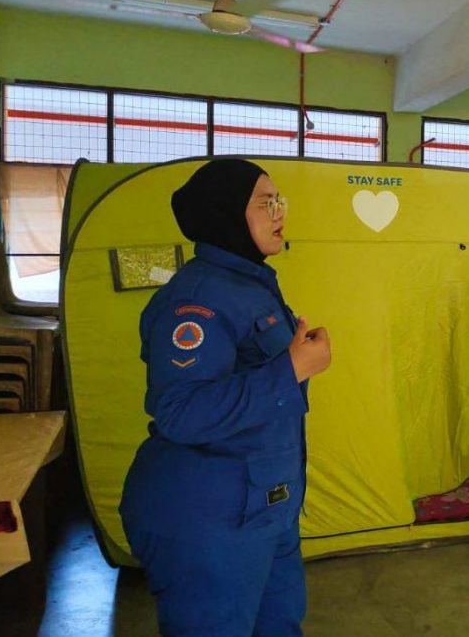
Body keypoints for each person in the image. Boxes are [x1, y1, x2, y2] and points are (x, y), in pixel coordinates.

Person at [119, 159, 331, 637]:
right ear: (227, 214)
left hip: (266, 508)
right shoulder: (196, 299)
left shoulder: (250, 285)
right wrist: (292, 369)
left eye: (280, 201)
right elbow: (181, 411)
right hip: (207, 520)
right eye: (264, 203)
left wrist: (291, 364)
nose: (279, 213)